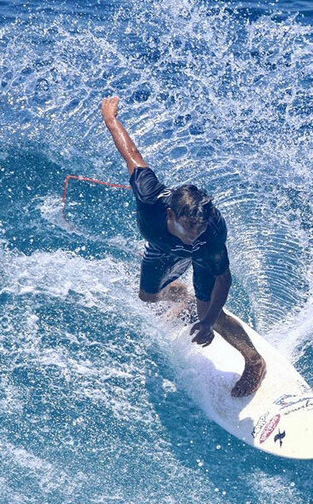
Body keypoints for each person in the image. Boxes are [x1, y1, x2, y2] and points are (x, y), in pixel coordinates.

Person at [101, 95, 266, 397]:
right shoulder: (150, 198)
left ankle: (255, 362)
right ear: (170, 215)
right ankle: (179, 295)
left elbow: (223, 279)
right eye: (189, 226)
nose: (195, 232)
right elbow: (133, 154)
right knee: (147, 297)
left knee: (214, 316)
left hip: (203, 261)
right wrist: (111, 119)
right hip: (162, 248)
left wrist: (206, 322)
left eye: (200, 225)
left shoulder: (209, 235)